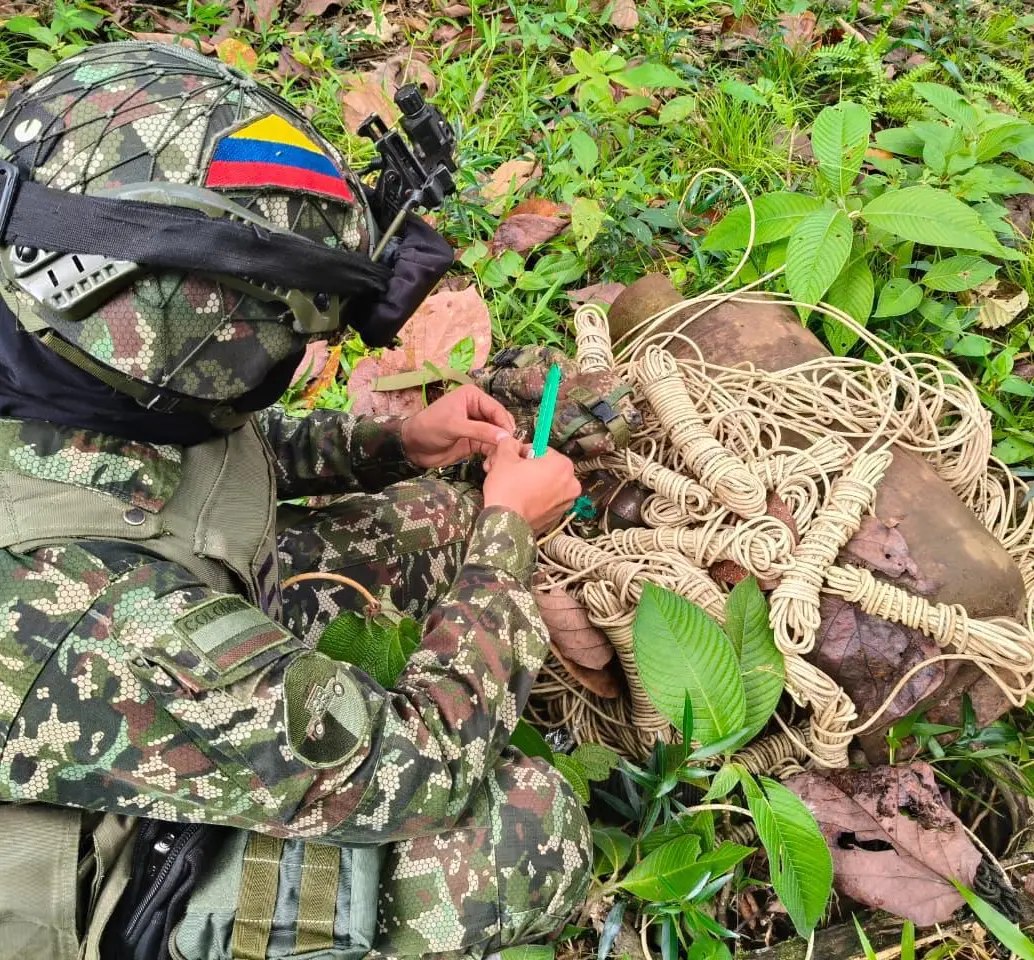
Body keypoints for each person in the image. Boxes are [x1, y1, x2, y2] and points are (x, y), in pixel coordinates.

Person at [0, 41, 637, 960]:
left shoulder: (50, 349)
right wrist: (507, 539)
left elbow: (164, 457)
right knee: (525, 831)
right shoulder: (98, 620)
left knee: (428, 520)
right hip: (81, 850)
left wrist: (389, 444)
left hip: (120, 625)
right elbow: (418, 766)